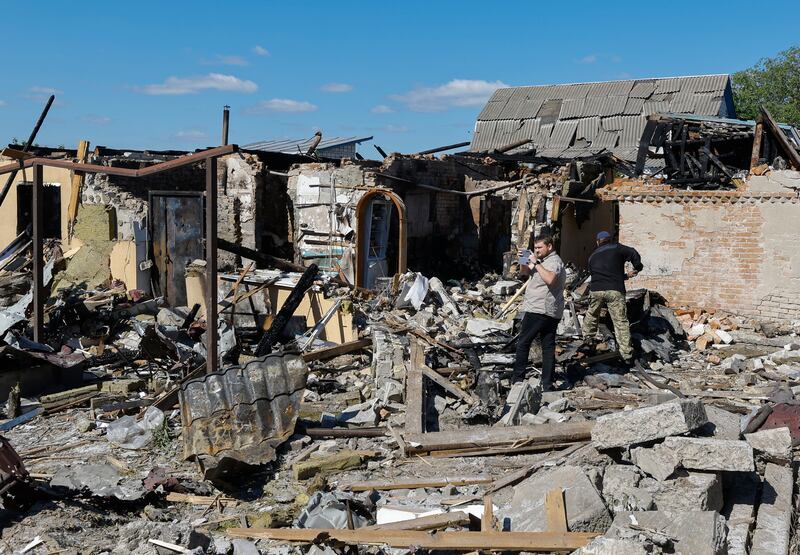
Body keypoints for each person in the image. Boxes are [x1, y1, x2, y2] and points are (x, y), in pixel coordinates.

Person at [513, 233, 567, 390]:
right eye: (535, 248)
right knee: (548, 346)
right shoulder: (543, 262)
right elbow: (524, 273)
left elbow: (550, 279)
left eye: (539, 247)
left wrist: (536, 263)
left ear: (549, 247)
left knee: (523, 343)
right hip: (545, 310)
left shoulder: (554, 262)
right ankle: (547, 384)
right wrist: (524, 259)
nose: (536, 251)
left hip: (540, 309)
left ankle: (518, 380)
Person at [582, 231, 644, 364]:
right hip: (615, 291)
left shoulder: (592, 256)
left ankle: (588, 340)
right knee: (620, 321)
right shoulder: (617, 247)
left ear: (598, 242)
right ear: (610, 240)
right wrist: (638, 266)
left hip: (596, 290)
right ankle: (626, 354)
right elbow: (633, 252)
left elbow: (602, 276)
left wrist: (626, 276)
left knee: (592, 315)